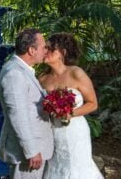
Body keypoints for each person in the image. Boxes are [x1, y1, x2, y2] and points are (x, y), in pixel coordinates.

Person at [39, 33, 104, 179]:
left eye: (50, 49)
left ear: (63, 52)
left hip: (75, 132)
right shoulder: (42, 78)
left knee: (77, 168)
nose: (45, 51)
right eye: (45, 48)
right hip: (52, 132)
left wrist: (70, 114)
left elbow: (93, 104)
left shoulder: (76, 73)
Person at [0, 28, 54, 179]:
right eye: (43, 47)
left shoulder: (22, 69)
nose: (46, 50)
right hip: (27, 154)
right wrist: (31, 151)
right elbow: (18, 116)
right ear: (31, 50)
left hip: (35, 149)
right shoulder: (15, 74)